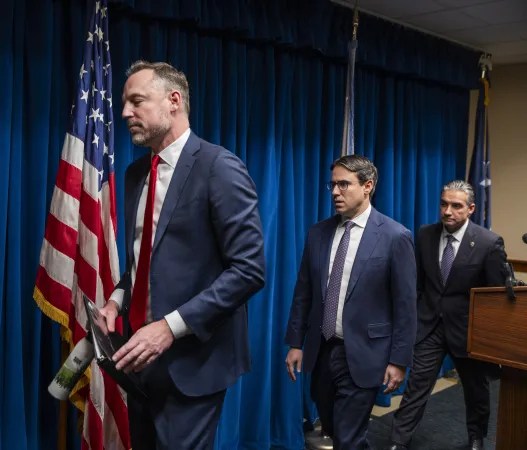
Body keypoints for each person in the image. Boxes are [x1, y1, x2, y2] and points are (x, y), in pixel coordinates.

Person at [99, 60, 265, 450]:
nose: (125, 113)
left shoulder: (219, 167)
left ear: (174, 100)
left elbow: (249, 270)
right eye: (124, 103)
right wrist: (116, 301)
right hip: (139, 360)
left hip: (194, 364)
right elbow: (143, 261)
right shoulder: (136, 174)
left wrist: (169, 328)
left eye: (137, 101)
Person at [285, 155, 417, 449]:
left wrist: (398, 361)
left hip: (365, 352)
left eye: (344, 184)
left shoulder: (395, 236)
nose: (335, 192)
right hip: (322, 350)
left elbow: (406, 306)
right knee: (333, 428)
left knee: (348, 437)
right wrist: (295, 342)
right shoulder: (318, 233)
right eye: (332, 185)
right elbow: (303, 292)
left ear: (367, 186)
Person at [389, 180, 507, 450]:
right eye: (444, 204)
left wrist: (487, 337)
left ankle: (476, 438)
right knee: (417, 386)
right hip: (430, 326)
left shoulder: (488, 243)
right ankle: (398, 440)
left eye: (456, 206)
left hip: (468, 330)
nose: (448, 211)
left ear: (471, 209)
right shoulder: (425, 234)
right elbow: (419, 283)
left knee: (475, 390)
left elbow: (495, 297)